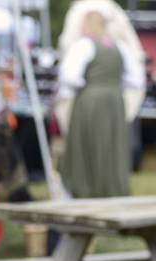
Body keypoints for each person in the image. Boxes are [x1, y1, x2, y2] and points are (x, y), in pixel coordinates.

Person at [58, 10, 145, 197]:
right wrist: (113, 86)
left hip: (90, 101)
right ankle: (113, 190)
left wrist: (89, 86)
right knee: (112, 148)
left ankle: (87, 190)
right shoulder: (119, 47)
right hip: (115, 102)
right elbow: (137, 79)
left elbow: (69, 77)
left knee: (86, 146)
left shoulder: (83, 45)